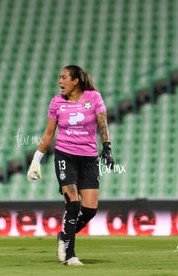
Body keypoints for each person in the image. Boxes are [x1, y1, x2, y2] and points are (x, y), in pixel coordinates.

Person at [27, 65, 114, 266]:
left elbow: (103, 124)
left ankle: (64, 236)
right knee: (73, 204)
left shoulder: (93, 98)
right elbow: (49, 134)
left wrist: (107, 148)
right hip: (65, 156)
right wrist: (35, 161)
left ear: (75, 81)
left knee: (90, 210)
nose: (60, 81)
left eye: (63, 77)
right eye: (59, 77)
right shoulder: (57, 102)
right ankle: (70, 255)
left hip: (89, 159)